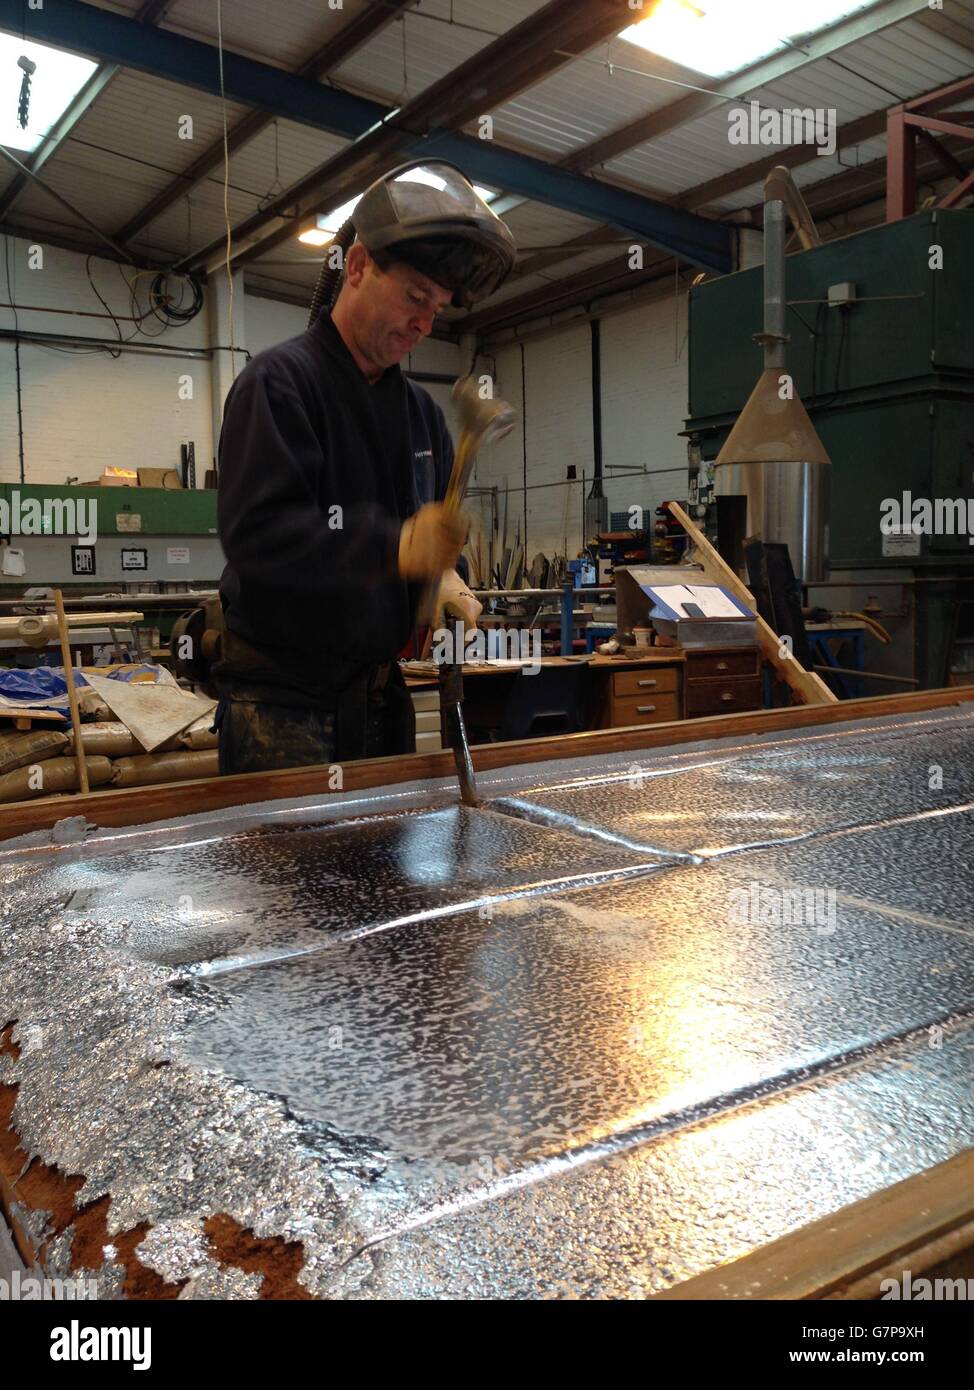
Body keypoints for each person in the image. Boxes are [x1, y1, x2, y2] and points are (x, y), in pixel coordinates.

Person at [213, 162, 516, 773]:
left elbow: (427, 550)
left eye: (437, 308)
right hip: (284, 712)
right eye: (414, 297)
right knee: (287, 873)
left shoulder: (423, 417)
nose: (425, 323)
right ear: (356, 268)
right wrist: (396, 543)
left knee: (382, 874)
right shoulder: (277, 386)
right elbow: (259, 537)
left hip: (382, 702)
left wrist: (445, 580)